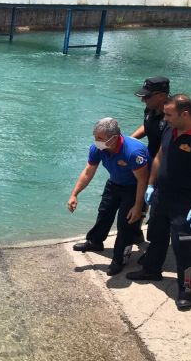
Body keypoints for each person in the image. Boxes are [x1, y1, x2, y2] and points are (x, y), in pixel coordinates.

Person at [126, 95, 191, 310]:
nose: (164, 118)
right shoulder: (169, 128)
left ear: (185, 114)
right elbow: (159, 156)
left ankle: (187, 289)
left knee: (185, 248)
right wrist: (151, 185)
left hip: (185, 203)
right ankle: (152, 270)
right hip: (162, 196)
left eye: (168, 114)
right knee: (156, 234)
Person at [68, 117, 150, 276]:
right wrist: (74, 194)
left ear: (113, 138)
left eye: (99, 138)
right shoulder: (97, 148)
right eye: (95, 137)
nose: (96, 141)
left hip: (134, 187)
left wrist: (138, 206)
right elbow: (88, 172)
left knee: (125, 223)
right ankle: (95, 241)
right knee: (104, 212)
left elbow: (143, 180)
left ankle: (120, 258)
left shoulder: (133, 152)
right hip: (114, 183)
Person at [130, 77, 170, 244]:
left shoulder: (173, 115)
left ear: (161, 96)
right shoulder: (150, 109)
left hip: (167, 165)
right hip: (149, 158)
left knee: (159, 208)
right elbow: (146, 127)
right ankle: (136, 231)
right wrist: (129, 141)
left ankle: (155, 247)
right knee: (140, 197)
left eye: (147, 97)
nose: (143, 100)